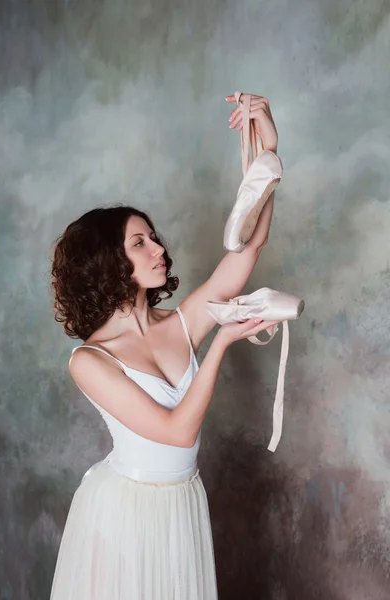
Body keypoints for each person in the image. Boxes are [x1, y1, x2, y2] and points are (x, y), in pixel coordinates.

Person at [49, 92, 280, 599]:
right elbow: (177, 433)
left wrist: (270, 150)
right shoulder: (89, 361)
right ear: (107, 263)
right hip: (124, 513)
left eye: (154, 237)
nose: (159, 249)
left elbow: (249, 248)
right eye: (139, 242)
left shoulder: (177, 323)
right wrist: (220, 344)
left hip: (181, 504)